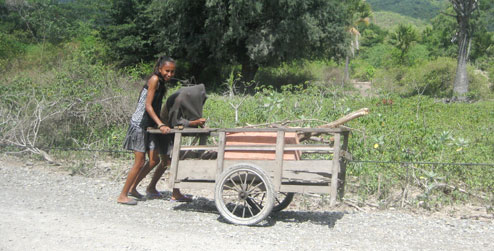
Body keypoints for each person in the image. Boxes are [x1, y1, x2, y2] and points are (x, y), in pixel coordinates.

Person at [133, 84, 208, 202]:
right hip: (163, 130)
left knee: (164, 162)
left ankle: (150, 187)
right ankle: (174, 192)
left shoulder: (186, 99)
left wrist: (196, 121)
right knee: (166, 162)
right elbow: (176, 121)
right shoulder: (179, 100)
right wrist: (194, 123)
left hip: (169, 132)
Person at [116, 56, 174, 205]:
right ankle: (123, 195)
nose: (169, 74)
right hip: (139, 125)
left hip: (150, 126)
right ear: (160, 69)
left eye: (172, 72)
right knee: (140, 161)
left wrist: (159, 124)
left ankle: (133, 188)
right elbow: (148, 106)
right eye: (167, 71)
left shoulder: (161, 83)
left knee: (154, 160)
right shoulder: (154, 79)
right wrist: (160, 124)